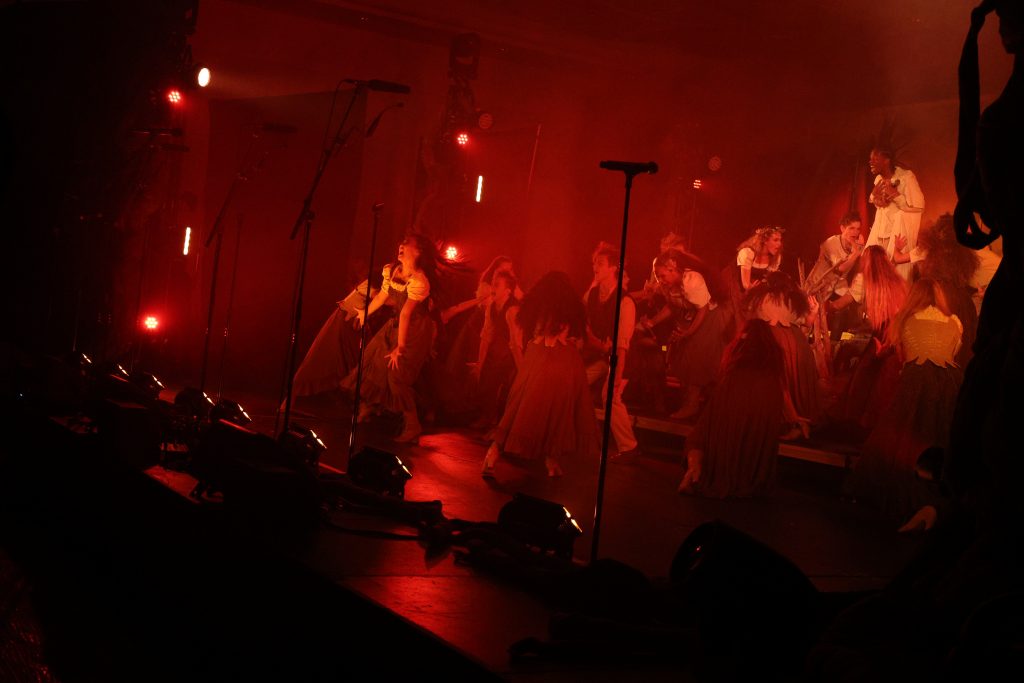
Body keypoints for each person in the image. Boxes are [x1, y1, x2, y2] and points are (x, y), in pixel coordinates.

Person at [842, 278, 964, 519]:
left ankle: (895, 490)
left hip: (917, 378)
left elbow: (902, 353)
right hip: (950, 380)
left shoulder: (906, 320)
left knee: (903, 433)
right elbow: (953, 351)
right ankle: (936, 498)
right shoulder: (955, 321)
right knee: (939, 434)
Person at [482, 271, 599, 479]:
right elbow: (564, 338)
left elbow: (543, 336)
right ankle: (548, 459)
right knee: (553, 411)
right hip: (559, 362)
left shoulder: (536, 308)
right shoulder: (565, 309)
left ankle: (498, 453)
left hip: (542, 360)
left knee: (524, 409)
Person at [343, 233, 444, 442]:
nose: (401, 245)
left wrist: (400, 346)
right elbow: (382, 296)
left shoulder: (419, 280)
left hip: (416, 330)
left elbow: (407, 313)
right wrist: (365, 312)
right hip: (398, 323)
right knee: (373, 362)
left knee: (397, 376)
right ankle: (369, 406)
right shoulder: (392, 270)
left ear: (418, 251)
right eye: (401, 242)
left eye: (407, 243)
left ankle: (413, 425)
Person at [677, 319, 786, 498]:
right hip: (754, 436)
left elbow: (717, 412)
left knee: (700, 437)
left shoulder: (736, 368)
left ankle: (695, 470)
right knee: (708, 436)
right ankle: (703, 468)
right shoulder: (772, 374)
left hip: (733, 412)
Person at [638, 248, 727, 420]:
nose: (660, 280)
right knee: (681, 355)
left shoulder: (691, 280)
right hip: (691, 316)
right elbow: (672, 305)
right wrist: (652, 321)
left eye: (662, 275)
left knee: (695, 356)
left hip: (709, 315)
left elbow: (703, 309)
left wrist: (687, 333)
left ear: (672, 269)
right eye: (657, 276)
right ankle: (690, 403)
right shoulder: (667, 285)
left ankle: (694, 405)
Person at [836, 246, 908, 433]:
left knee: (863, 377)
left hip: (880, 332)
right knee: (881, 379)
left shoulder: (865, 280)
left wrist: (827, 306)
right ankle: (872, 421)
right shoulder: (898, 281)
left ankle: (854, 421)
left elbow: (845, 302)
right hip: (896, 334)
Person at [743, 272, 820, 438]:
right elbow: (806, 322)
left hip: (772, 343)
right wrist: (813, 312)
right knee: (791, 385)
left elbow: (748, 316)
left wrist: (749, 293)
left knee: (777, 384)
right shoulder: (792, 299)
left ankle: (791, 422)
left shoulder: (763, 298)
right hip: (795, 343)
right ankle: (797, 423)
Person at [582, 242, 640, 457]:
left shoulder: (625, 302)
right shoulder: (593, 295)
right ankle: (584, 435)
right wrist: (595, 342)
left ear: (613, 267)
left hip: (622, 358)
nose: (595, 267)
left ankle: (630, 447)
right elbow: (584, 322)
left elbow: (622, 346)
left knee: (611, 396)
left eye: (600, 263)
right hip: (601, 355)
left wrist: (617, 375)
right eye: (594, 263)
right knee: (577, 380)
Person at [865, 147, 925, 280]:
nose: (871, 162)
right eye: (870, 159)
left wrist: (896, 195)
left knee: (895, 277)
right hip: (880, 235)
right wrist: (874, 197)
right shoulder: (878, 179)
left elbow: (919, 207)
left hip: (897, 238)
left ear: (886, 160)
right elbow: (879, 205)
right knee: (875, 276)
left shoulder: (906, 177)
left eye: (875, 158)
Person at [805, 212, 867, 342]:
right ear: (842, 228)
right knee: (812, 316)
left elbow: (859, 268)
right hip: (819, 283)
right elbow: (840, 269)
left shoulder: (856, 245)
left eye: (858, 228)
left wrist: (860, 252)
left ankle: (835, 342)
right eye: (851, 228)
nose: (855, 232)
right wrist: (856, 253)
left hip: (837, 284)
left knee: (846, 306)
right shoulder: (831, 242)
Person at [472, 270, 521, 432]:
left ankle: (499, 427)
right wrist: (480, 362)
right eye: (493, 283)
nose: (492, 287)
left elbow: (516, 342)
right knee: (486, 380)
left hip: (512, 354)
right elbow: (486, 335)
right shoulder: (492, 306)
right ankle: (487, 419)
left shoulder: (512, 310)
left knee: (505, 391)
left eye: (497, 284)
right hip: (499, 351)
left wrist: (522, 370)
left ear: (507, 290)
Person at [724, 226, 784, 339]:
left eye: (780, 240)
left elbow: (768, 281)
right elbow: (745, 284)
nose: (779, 244)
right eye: (775, 240)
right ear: (765, 241)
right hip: (736, 286)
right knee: (737, 318)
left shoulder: (775, 258)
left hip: (754, 289)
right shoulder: (747, 252)